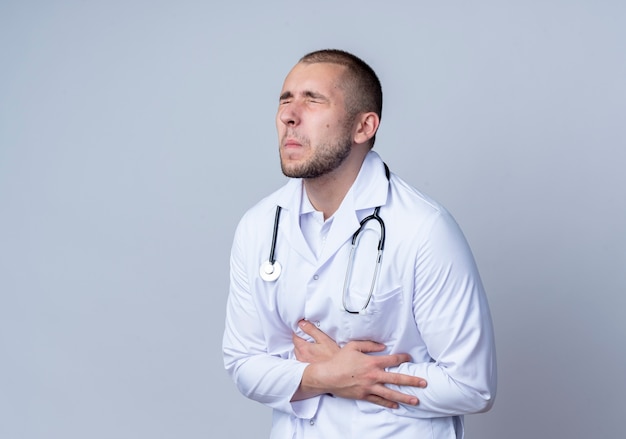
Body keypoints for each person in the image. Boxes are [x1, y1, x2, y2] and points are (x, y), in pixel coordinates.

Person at [222, 49, 496, 438]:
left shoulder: (423, 228)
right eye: (285, 100)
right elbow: (242, 362)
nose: (289, 116)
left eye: (312, 100)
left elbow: (473, 385)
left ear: (364, 126)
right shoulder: (258, 227)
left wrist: (355, 376)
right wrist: (325, 376)